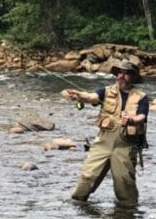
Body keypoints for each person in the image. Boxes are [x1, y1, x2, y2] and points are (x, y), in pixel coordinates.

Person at [64, 61, 149, 206]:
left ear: (134, 77)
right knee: (88, 176)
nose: (122, 76)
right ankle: (77, 205)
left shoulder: (142, 97)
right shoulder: (106, 90)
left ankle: (128, 214)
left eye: (127, 73)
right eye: (120, 72)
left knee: (124, 182)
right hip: (103, 142)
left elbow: (142, 117)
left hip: (126, 146)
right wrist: (79, 95)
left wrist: (131, 120)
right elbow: (91, 97)